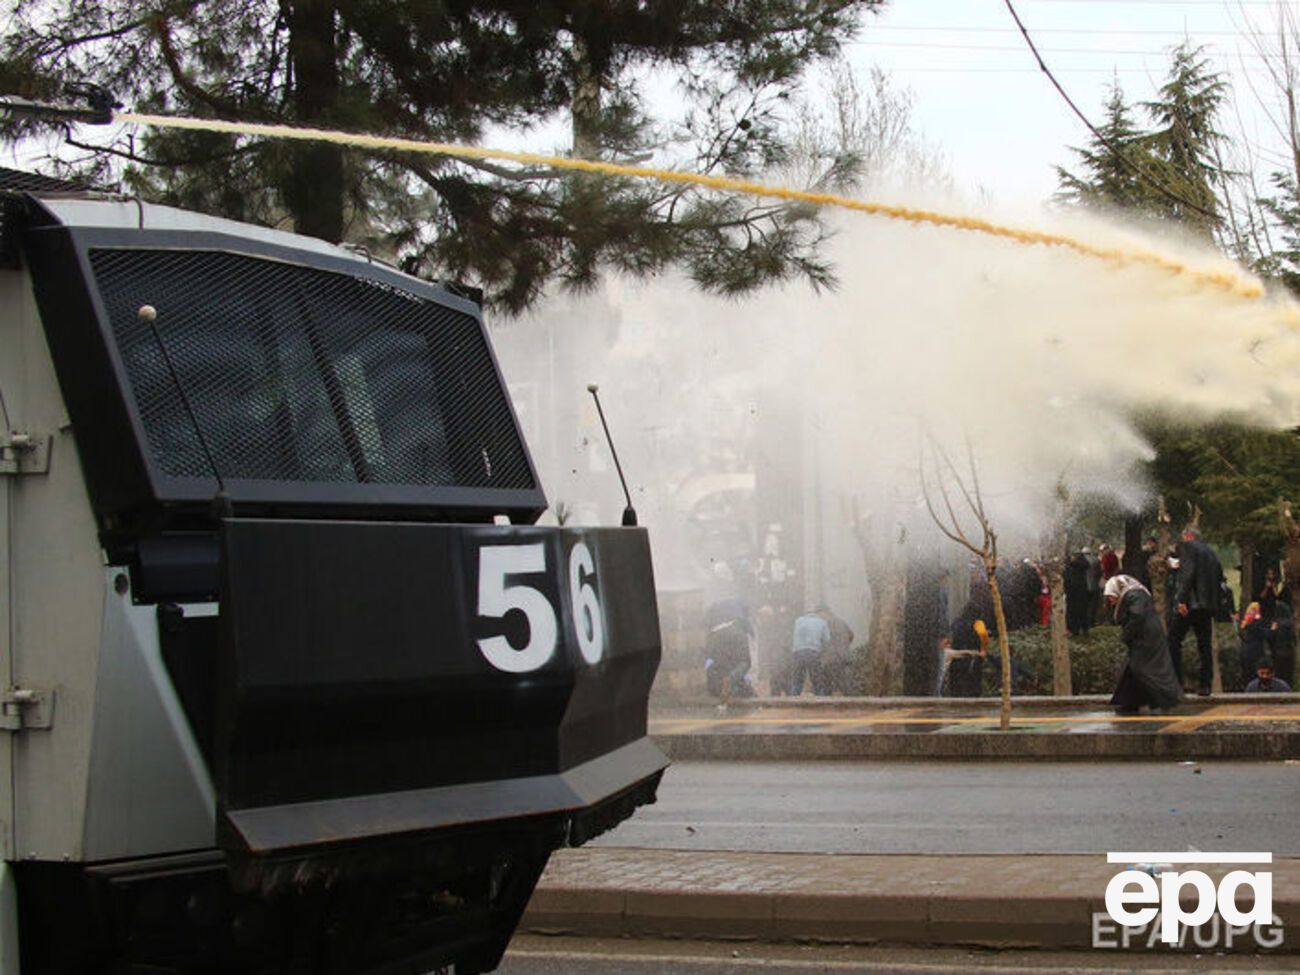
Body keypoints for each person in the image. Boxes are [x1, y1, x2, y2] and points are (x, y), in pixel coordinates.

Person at [1104, 574, 1184, 714]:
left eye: (1110, 596)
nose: (1110, 601)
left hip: (1146, 641)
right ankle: (1130, 703)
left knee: (1145, 671)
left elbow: (1137, 615)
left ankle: (1160, 701)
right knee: (1135, 672)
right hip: (1145, 639)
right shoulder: (1136, 594)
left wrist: (1127, 634)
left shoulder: (1134, 595)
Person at [1167, 526, 1224, 696]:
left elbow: (1188, 574)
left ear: (1189, 536)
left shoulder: (1188, 547)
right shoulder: (1211, 553)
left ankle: (1176, 682)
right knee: (1204, 644)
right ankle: (1205, 684)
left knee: (1172, 640)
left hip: (1190, 603)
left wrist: (1181, 600)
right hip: (1207, 606)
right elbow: (1219, 576)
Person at [703, 570, 755, 703]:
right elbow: (745, 620)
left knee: (721, 662)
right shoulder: (739, 601)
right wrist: (751, 633)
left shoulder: (716, 604)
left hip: (715, 634)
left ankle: (717, 685)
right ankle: (730, 681)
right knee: (744, 662)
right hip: (734, 630)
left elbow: (705, 621)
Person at [788, 607, 830, 696]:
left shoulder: (798, 621)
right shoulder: (822, 622)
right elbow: (827, 640)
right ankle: (820, 701)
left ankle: (793, 701)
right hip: (813, 652)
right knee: (817, 681)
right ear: (820, 613)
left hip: (798, 652)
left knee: (797, 680)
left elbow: (794, 637)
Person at [817, 605, 856, 695]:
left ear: (824, 612)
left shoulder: (824, 624)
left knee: (828, 684)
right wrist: (843, 646)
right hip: (844, 657)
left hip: (830, 659)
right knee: (841, 682)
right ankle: (845, 700)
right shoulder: (841, 621)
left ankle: (829, 702)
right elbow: (851, 635)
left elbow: (819, 642)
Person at [1238, 601, 1269, 686]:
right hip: (1255, 652)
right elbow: (1261, 633)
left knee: (1247, 675)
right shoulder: (1257, 620)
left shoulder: (1246, 621)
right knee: (1254, 674)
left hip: (1245, 652)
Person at [1064, 549, 1091, 636]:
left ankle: (1074, 629)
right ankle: (1084, 628)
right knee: (1082, 611)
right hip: (1081, 590)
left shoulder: (1070, 566)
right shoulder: (1083, 566)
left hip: (1072, 591)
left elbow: (1066, 578)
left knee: (1072, 612)